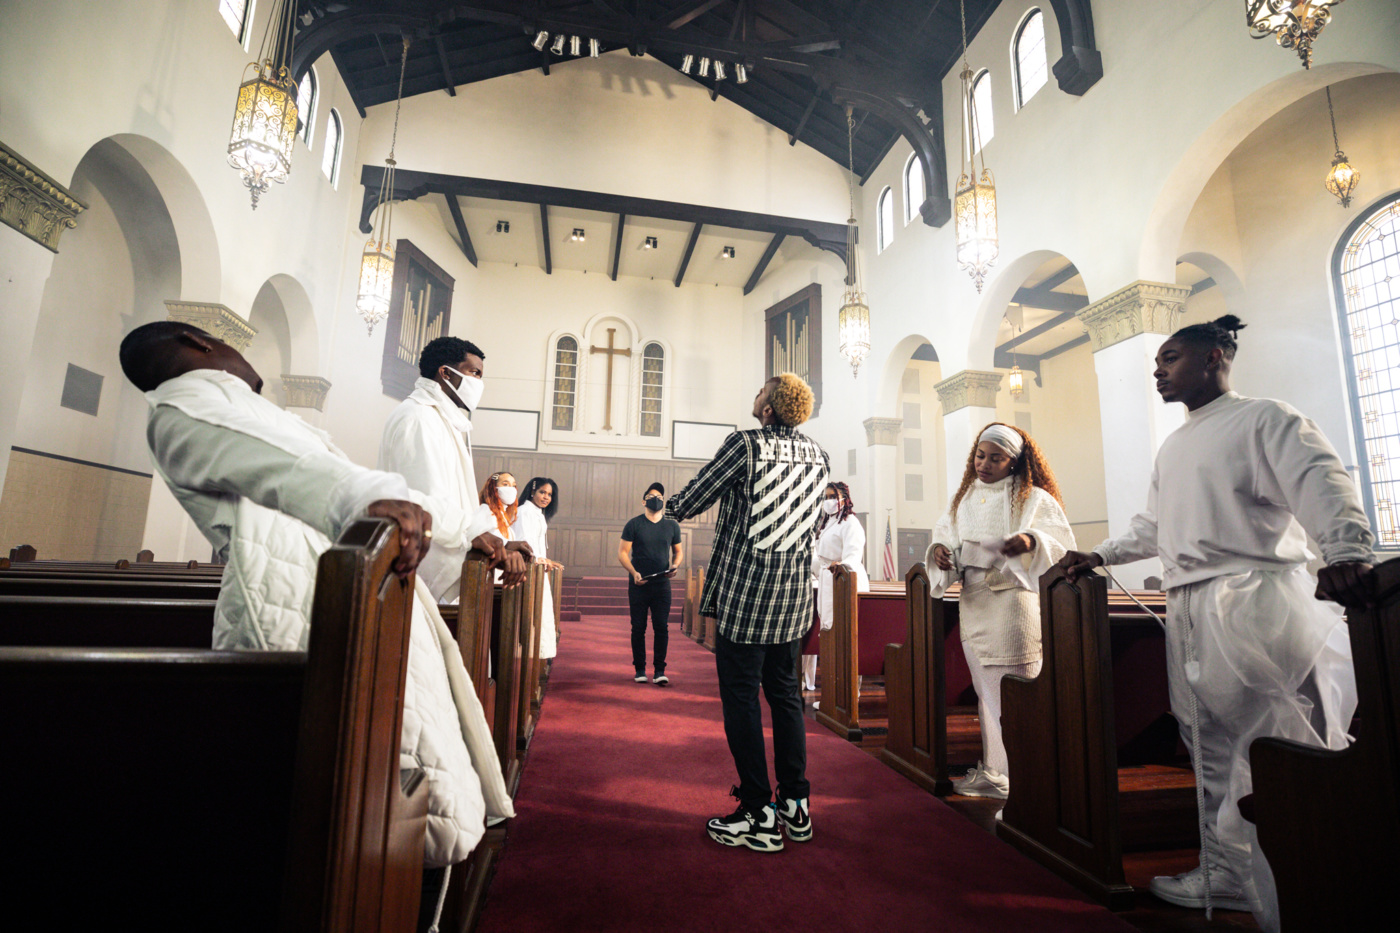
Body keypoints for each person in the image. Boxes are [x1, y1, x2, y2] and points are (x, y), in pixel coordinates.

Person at [117, 321, 514, 930]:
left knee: (413, 757)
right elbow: (284, 469)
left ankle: (415, 896)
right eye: (229, 345)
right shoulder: (188, 401)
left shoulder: (227, 402)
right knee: (387, 775)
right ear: (199, 345)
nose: (242, 355)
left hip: (339, 583)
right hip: (308, 594)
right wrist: (367, 496)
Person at [1058, 315, 1374, 930]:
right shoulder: (1175, 443)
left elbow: (1322, 481)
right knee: (1208, 745)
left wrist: (1347, 550)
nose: (1158, 369)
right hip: (1190, 606)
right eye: (1157, 362)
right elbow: (1154, 526)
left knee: (1270, 746)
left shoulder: (1264, 417)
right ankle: (1227, 873)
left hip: (1253, 598)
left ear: (1216, 358)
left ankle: (1307, 880)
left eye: (1170, 358)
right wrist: (1101, 554)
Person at [667, 373, 828, 853]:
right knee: (785, 696)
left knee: (740, 698)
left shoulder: (746, 445)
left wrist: (668, 504)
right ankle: (796, 805)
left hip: (747, 592)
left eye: (761, 390)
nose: (755, 394)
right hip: (793, 595)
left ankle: (757, 811)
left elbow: (694, 499)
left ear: (768, 410)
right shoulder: (819, 453)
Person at [926, 423, 1075, 800]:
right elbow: (945, 534)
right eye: (980, 455)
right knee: (986, 691)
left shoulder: (1032, 497)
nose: (984, 464)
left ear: (1015, 462)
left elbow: (1059, 542)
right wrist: (940, 551)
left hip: (1012, 601)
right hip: (974, 601)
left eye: (996, 458)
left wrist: (1030, 540)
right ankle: (996, 772)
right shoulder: (963, 498)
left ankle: (1029, 773)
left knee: (1016, 690)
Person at [378, 335, 488, 602]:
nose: (479, 383)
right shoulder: (418, 417)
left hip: (451, 564)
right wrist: (473, 534)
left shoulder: (441, 419)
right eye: (474, 373)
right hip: (428, 570)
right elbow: (424, 499)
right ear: (445, 373)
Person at [802, 482, 869, 697]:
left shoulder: (851, 523)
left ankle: (849, 696)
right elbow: (820, 561)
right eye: (826, 496)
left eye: (833, 496)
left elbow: (853, 555)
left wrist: (839, 567)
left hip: (845, 583)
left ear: (844, 498)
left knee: (846, 639)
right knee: (829, 636)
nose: (829, 500)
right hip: (827, 583)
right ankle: (832, 697)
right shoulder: (827, 523)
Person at [618, 482, 682, 685]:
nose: (657, 499)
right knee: (638, 627)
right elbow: (622, 553)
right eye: (652, 496)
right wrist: (633, 572)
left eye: (660, 497)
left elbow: (678, 551)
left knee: (661, 627)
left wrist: (675, 565)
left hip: (662, 585)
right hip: (639, 583)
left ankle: (660, 670)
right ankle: (639, 669)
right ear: (644, 500)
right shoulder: (634, 524)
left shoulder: (671, 525)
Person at [513, 477, 562, 660]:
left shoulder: (538, 513)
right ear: (532, 491)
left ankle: (538, 657)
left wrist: (546, 559)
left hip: (537, 569)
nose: (546, 497)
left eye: (550, 494)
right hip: (527, 569)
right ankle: (529, 657)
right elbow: (524, 542)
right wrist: (539, 559)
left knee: (541, 614)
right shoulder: (525, 511)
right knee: (530, 616)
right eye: (542, 492)